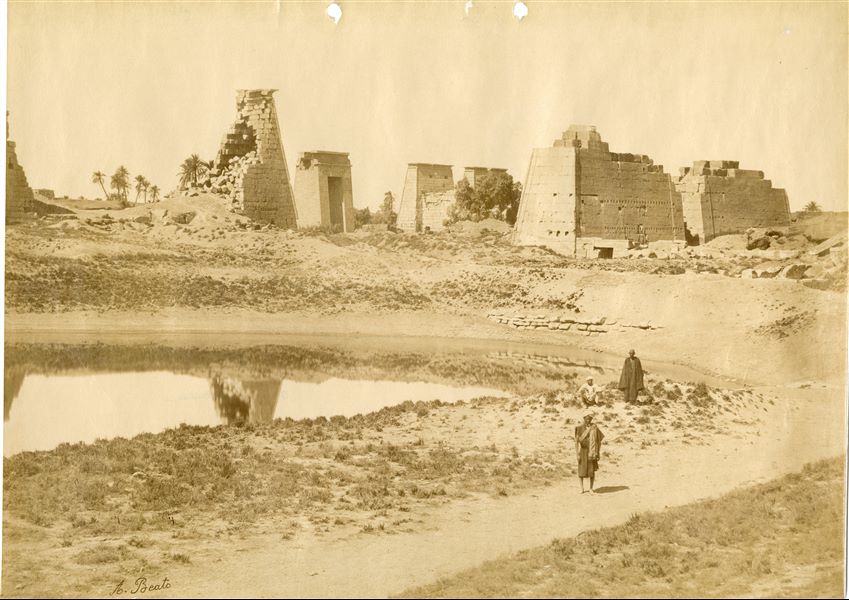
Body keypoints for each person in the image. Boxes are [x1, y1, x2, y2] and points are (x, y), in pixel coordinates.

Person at [575, 413, 604, 494]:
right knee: (581, 470)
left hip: (592, 452)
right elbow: (576, 442)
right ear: (584, 418)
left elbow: (599, 441)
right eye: (586, 418)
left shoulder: (594, 428)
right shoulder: (579, 428)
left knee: (591, 471)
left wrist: (598, 452)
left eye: (590, 419)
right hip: (582, 451)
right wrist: (577, 454)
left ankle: (591, 488)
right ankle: (582, 488)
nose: (588, 420)